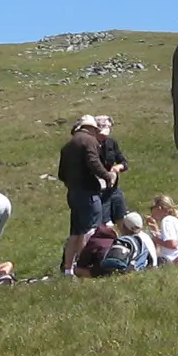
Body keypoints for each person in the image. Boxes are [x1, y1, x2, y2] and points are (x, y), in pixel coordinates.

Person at [57, 114, 112, 275]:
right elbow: (93, 162)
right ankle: (86, 266)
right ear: (91, 129)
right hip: (88, 192)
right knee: (91, 229)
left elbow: (61, 174)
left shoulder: (67, 146)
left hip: (73, 193)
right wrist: (107, 176)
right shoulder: (89, 141)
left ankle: (68, 270)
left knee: (76, 232)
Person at [94, 116, 129, 222]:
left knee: (122, 218)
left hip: (114, 188)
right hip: (99, 190)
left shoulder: (111, 143)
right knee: (104, 221)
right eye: (101, 135)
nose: (103, 137)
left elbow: (123, 162)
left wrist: (119, 167)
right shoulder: (90, 144)